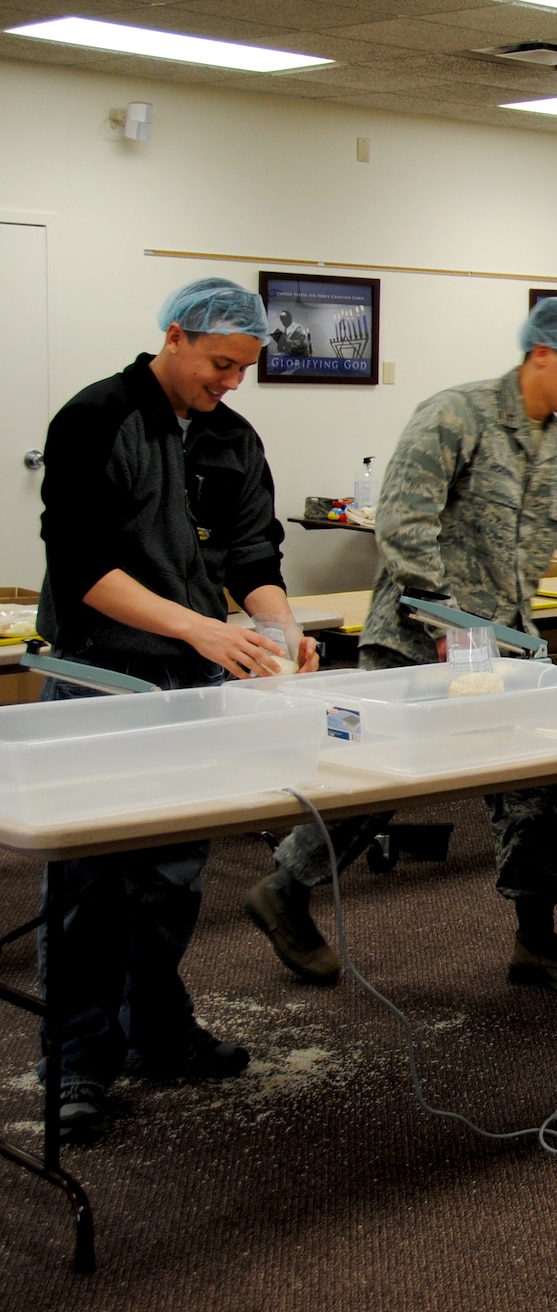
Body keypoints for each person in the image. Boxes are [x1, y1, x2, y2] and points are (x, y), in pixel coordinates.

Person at [246, 299, 557, 999]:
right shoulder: (456, 416)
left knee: (533, 792)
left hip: (504, 652)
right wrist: (448, 621)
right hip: (416, 643)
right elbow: (404, 523)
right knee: (380, 783)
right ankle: (286, 887)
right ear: (541, 354)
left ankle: (536, 943)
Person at [36, 277, 324, 1142]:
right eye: (220, 364)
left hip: (191, 683)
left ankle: (156, 1031)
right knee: (90, 882)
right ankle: (76, 1063)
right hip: (101, 678)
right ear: (174, 337)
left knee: (170, 878)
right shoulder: (99, 418)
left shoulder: (232, 438)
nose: (230, 382)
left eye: (244, 369)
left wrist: (279, 630)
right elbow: (84, 567)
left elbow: (253, 554)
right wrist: (203, 628)